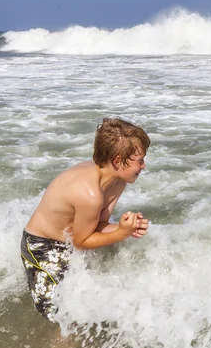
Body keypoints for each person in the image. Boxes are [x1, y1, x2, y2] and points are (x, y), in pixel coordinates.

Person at [20, 117, 150, 322]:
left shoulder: (117, 180)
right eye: (139, 160)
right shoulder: (89, 193)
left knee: (90, 305)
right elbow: (81, 242)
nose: (143, 166)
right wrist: (120, 233)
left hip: (69, 241)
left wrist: (126, 228)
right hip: (41, 247)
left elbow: (96, 225)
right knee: (66, 317)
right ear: (117, 161)